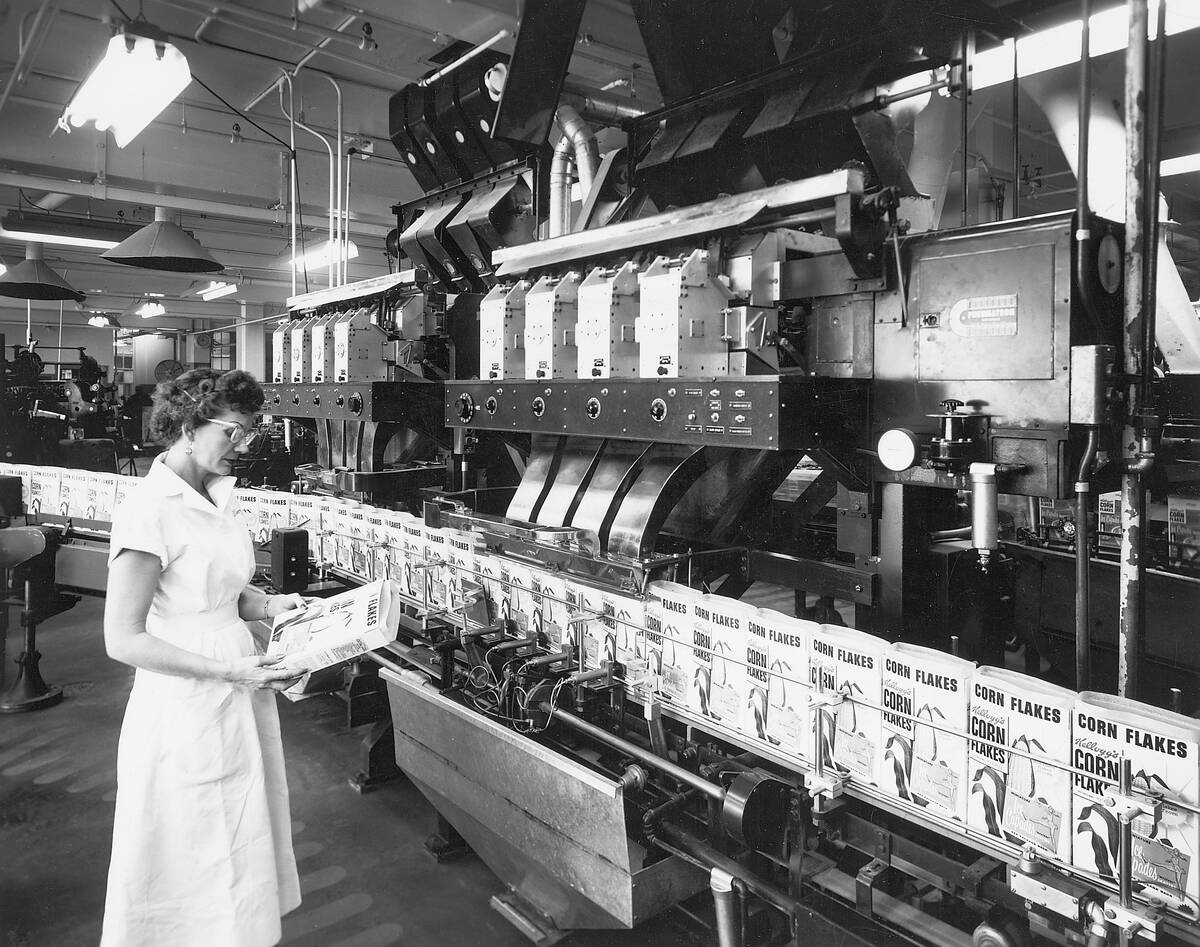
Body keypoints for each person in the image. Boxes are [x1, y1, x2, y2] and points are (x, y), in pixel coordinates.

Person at [100, 368, 313, 947]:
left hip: (234, 677)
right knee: (191, 839)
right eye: (232, 432)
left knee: (240, 825)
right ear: (189, 426)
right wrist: (227, 671)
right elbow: (123, 638)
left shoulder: (217, 496)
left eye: (249, 432)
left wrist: (266, 602)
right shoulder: (149, 509)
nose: (242, 445)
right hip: (187, 691)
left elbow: (217, 586)